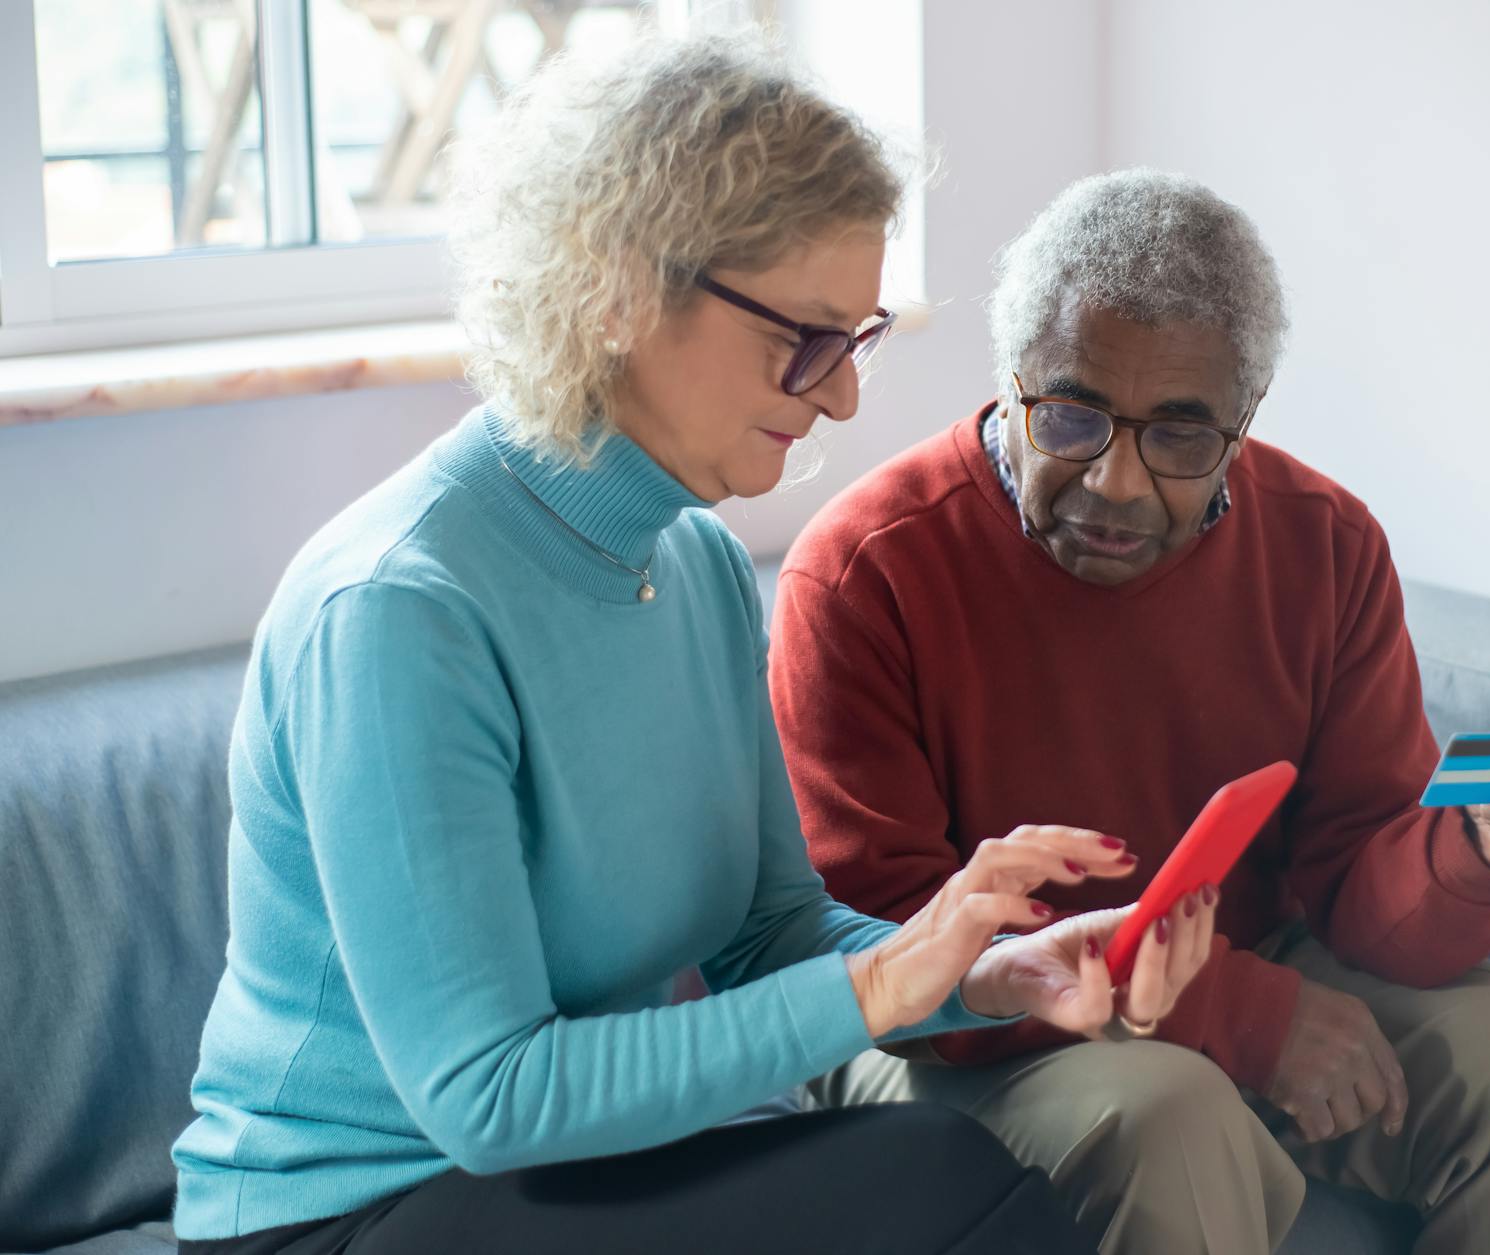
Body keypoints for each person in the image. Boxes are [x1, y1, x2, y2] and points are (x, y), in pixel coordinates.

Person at [169, 44, 1219, 1255]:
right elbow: (487, 1099)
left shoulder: (702, 566)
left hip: (566, 1175)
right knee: (946, 1184)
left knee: (956, 1172)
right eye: (804, 339)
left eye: (855, 339)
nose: (838, 401)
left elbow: (767, 934)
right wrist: (888, 983)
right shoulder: (400, 612)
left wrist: (985, 967)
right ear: (615, 290)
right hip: (345, 1212)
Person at [772, 169, 1490, 1255]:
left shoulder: (1325, 544)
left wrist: (1485, 853)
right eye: (1074, 417)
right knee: (1168, 1113)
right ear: (1011, 381)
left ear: (1243, 420)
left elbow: (1356, 881)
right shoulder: (863, 573)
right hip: (942, 1025)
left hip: (1240, 952)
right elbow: (893, 945)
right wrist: (1235, 1015)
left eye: (1180, 436)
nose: (1118, 484)